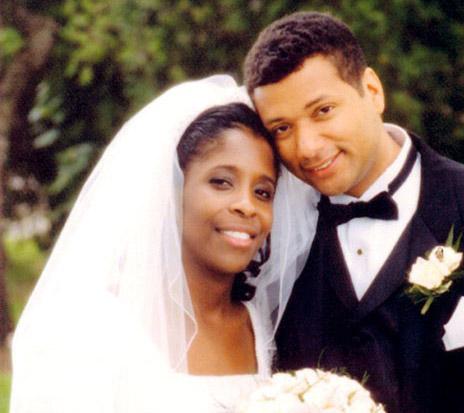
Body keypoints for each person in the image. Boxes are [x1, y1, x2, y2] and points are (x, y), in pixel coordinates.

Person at [244, 11, 464, 413]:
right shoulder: (272, 248)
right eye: (282, 128)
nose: (307, 147)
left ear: (372, 90)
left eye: (323, 111)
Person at [9, 75, 314, 413]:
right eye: (221, 182)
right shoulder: (89, 325)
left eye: (263, 192)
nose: (247, 205)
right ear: (173, 191)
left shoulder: (259, 325)